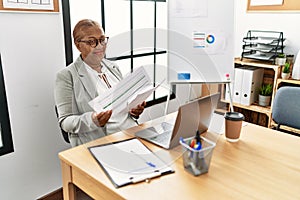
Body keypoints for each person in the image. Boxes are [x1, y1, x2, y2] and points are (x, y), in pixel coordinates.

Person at [55, 19, 146, 147]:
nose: (99, 46)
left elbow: (121, 105)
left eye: (102, 40)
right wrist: (93, 120)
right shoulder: (67, 76)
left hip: (130, 132)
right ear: (78, 44)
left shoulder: (113, 67)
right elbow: (65, 122)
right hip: (101, 140)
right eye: (92, 41)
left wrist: (133, 110)